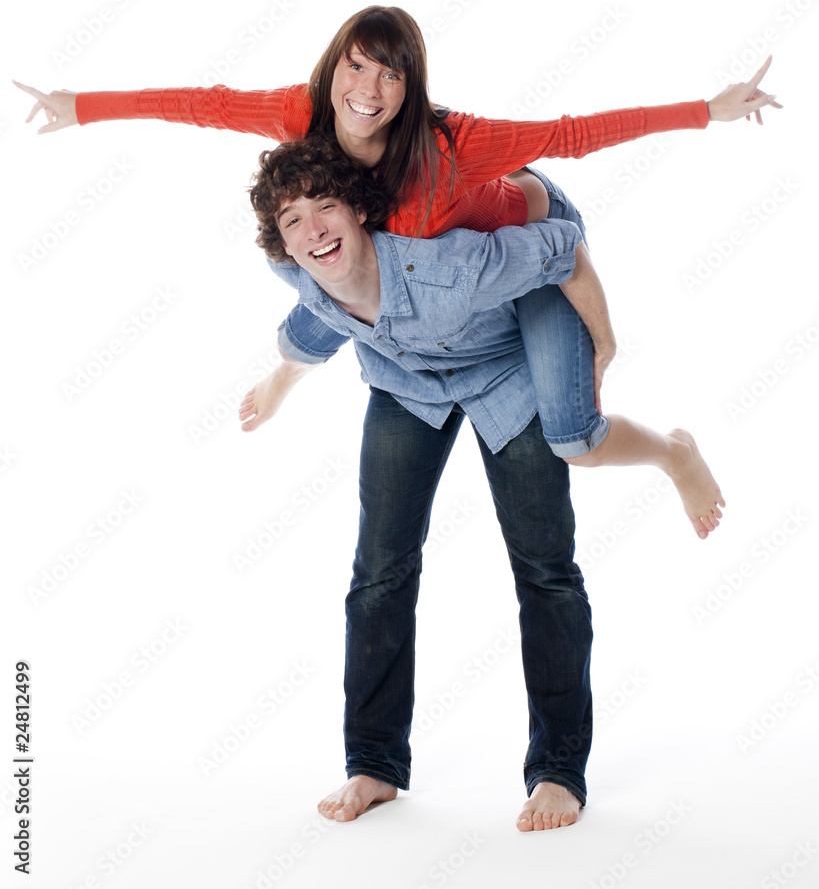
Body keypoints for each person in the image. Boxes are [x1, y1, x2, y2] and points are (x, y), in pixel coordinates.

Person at [13, 6, 779, 539]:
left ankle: (675, 454)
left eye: (389, 75)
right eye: (356, 67)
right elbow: (202, 105)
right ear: (334, 67)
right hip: (430, 279)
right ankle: (288, 372)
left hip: (530, 246)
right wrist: (82, 106)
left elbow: (572, 134)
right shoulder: (303, 115)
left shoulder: (453, 144)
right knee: (325, 273)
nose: (367, 91)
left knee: (574, 440)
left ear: (410, 87)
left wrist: (707, 110)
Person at [238, 136, 724, 831]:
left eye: (326, 207)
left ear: (361, 211)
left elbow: (560, 245)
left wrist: (604, 341)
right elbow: (315, 320)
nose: (312, 229)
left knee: (545, 568)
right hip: (407, 384)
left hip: (506, 371)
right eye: (293, 220)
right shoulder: (304, 270)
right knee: (378, 571)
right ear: (282, 246)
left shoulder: (447, 265)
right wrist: (277, 382)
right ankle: (373, 764)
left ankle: (557, 771)